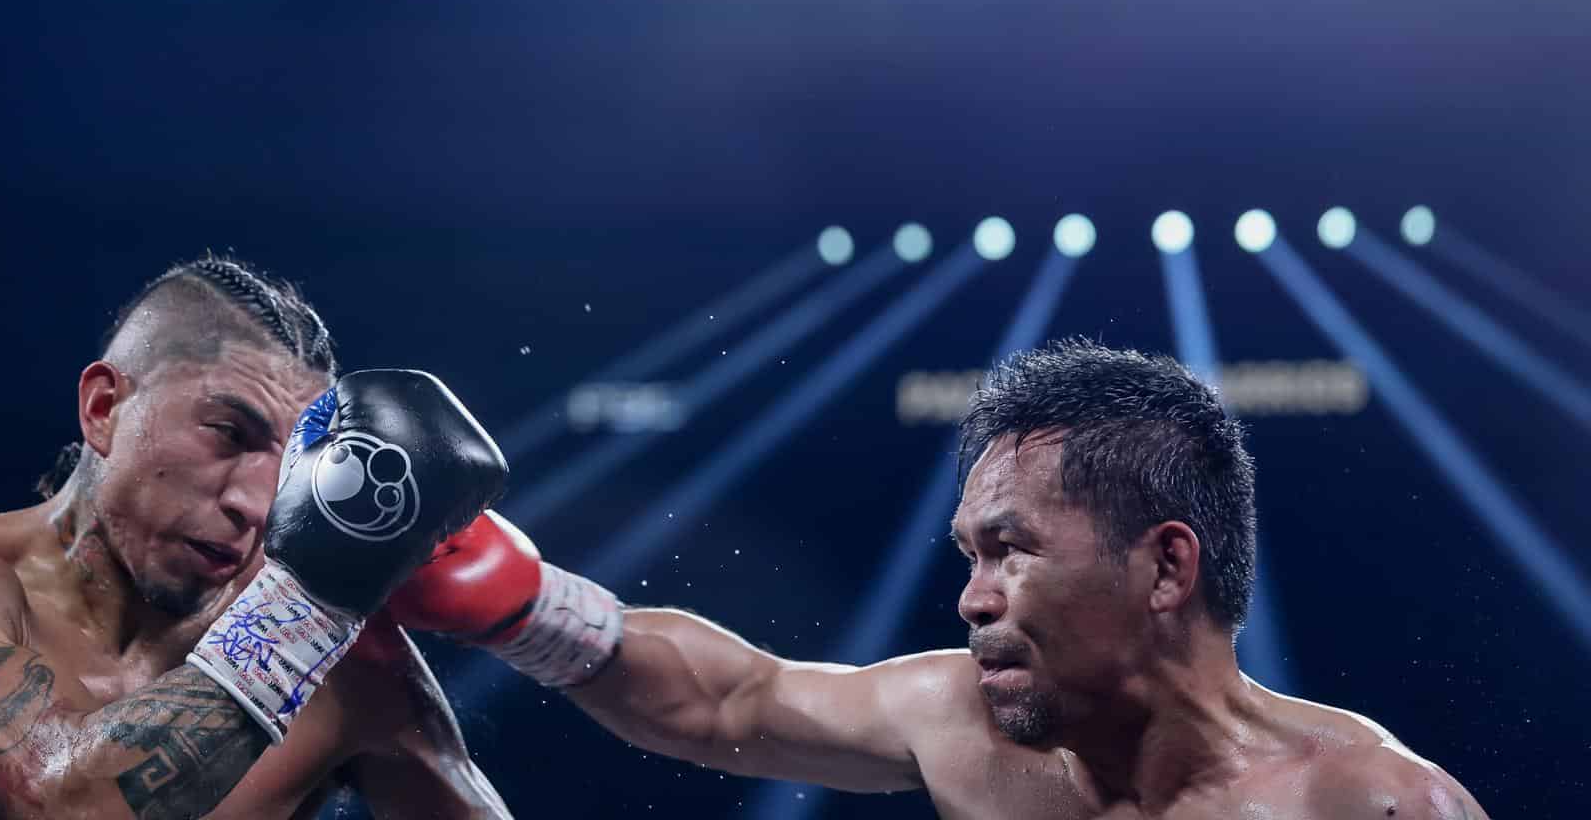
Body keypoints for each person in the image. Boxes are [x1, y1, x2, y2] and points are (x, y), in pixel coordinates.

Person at [389, 338, 1492, 818]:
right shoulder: (968, 727)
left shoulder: (1374, 803)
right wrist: (528, 608)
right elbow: (732, 698)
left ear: (1165, 565)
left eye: (1012, 548)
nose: (972, 597)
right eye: (968, 553)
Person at [0, 254, 514, 820]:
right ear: (103, 408)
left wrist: (546, 620)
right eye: (229, 434)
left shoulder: (343, 663)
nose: (257, 501)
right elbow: (72, 805)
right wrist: (318, 606)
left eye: (293, 463)